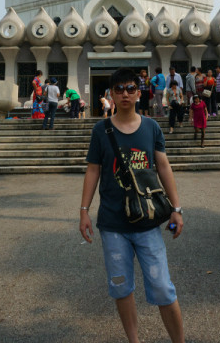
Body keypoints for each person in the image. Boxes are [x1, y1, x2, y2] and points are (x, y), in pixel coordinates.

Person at [79, 68, 185, 343]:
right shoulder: (100, 130)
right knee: (121, 286)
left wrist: (177, 208)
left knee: (163, 287)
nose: (125, 94)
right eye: (118, 89)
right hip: (113, 223)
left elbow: (163, 166)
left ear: (139, 93)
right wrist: (83, 212)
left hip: (148, 220)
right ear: (111, 94)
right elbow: (93, 170)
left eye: (130, 88)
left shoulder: (151, 127)